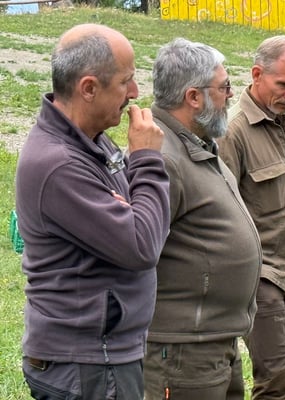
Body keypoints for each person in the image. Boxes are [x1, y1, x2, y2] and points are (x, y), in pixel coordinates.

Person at [15, 24, 170, 399]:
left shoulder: (91, 142)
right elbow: (142, 245)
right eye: (125, 81)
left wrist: (132, 214)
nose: (135, 93)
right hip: (86, 365)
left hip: (102, 358)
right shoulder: (59, 164)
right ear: (88, 88)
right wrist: (147, 160)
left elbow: (143, 223)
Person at [142, 38, 262, 400]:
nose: (231, 94)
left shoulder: (197, 144)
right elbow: (139, 250)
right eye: (224, 87)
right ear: (193, 97)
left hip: (212, 341)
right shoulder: (164, 158)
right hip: (182, 350)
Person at [217, 35, 285, 400]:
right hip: (262, 275)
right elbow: (221, 211)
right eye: (284, 85)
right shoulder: (232, 131)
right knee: (276, 380)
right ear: (257, 74)